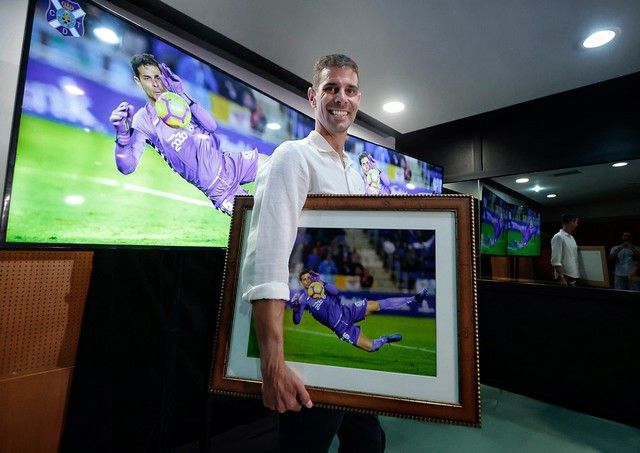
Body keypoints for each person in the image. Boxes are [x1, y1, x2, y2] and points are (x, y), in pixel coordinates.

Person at [241, 54, 385, 452]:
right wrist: (273, 364)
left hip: (345, 345)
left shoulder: (355, 173)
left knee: (369, 442)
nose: (341, 98)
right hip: (308, 356)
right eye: (331, 88)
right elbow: (268, 257)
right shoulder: (292, 156)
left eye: (350, 90)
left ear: (359, 98)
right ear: (312, 96)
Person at [109, 53, 260, 215]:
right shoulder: (143, 119)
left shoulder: (177, 99)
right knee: (259, 220)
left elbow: (211, 125)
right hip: (219, 189)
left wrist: (182, 94)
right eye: (147, 78)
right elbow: (127, 167)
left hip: (230, 163)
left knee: (277, 163)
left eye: (157, 77)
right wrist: (123, 137)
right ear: (138, 81)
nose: (155, 84)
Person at [291, 270, 428, 351]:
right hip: (341, 328)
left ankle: (415, 298)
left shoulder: (320, 286)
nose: (307, 280)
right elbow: (297, 321)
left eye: (309, 277)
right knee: (371, 347)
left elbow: (336, 292)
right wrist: (296, 308)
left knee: (378, 304)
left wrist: (322, 282)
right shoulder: (303, 299)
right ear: (301, 282)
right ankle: (385, 339)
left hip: (347, 311)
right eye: (304, 279)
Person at [550, 214, 580, 286]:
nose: (577, 225)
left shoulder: (572, 238)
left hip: (574, 276)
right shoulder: (558, 237)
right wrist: (561, 277)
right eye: (576, 222)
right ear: (571, 222)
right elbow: (555, 261)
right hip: (565, 277)